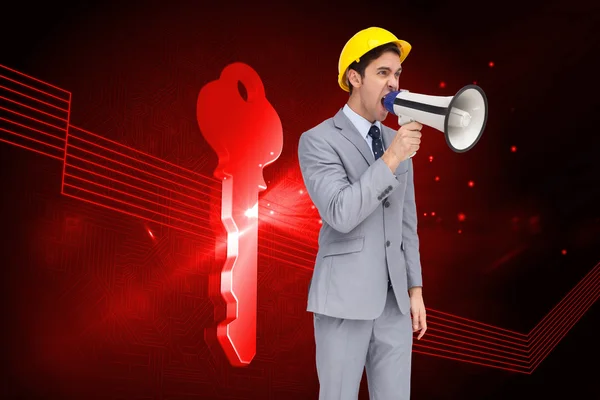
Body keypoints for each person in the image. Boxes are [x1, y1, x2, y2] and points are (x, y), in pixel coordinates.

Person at [297, 27, 427, 400]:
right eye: (383, 73)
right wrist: (392, 158)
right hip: (343, 301)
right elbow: (340, 211)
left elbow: (407, 223)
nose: (394, 84)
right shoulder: (318, 140)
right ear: (354, 77)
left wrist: (414, 290)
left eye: (398, 74)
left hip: (394, 304)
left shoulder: (395, 141)